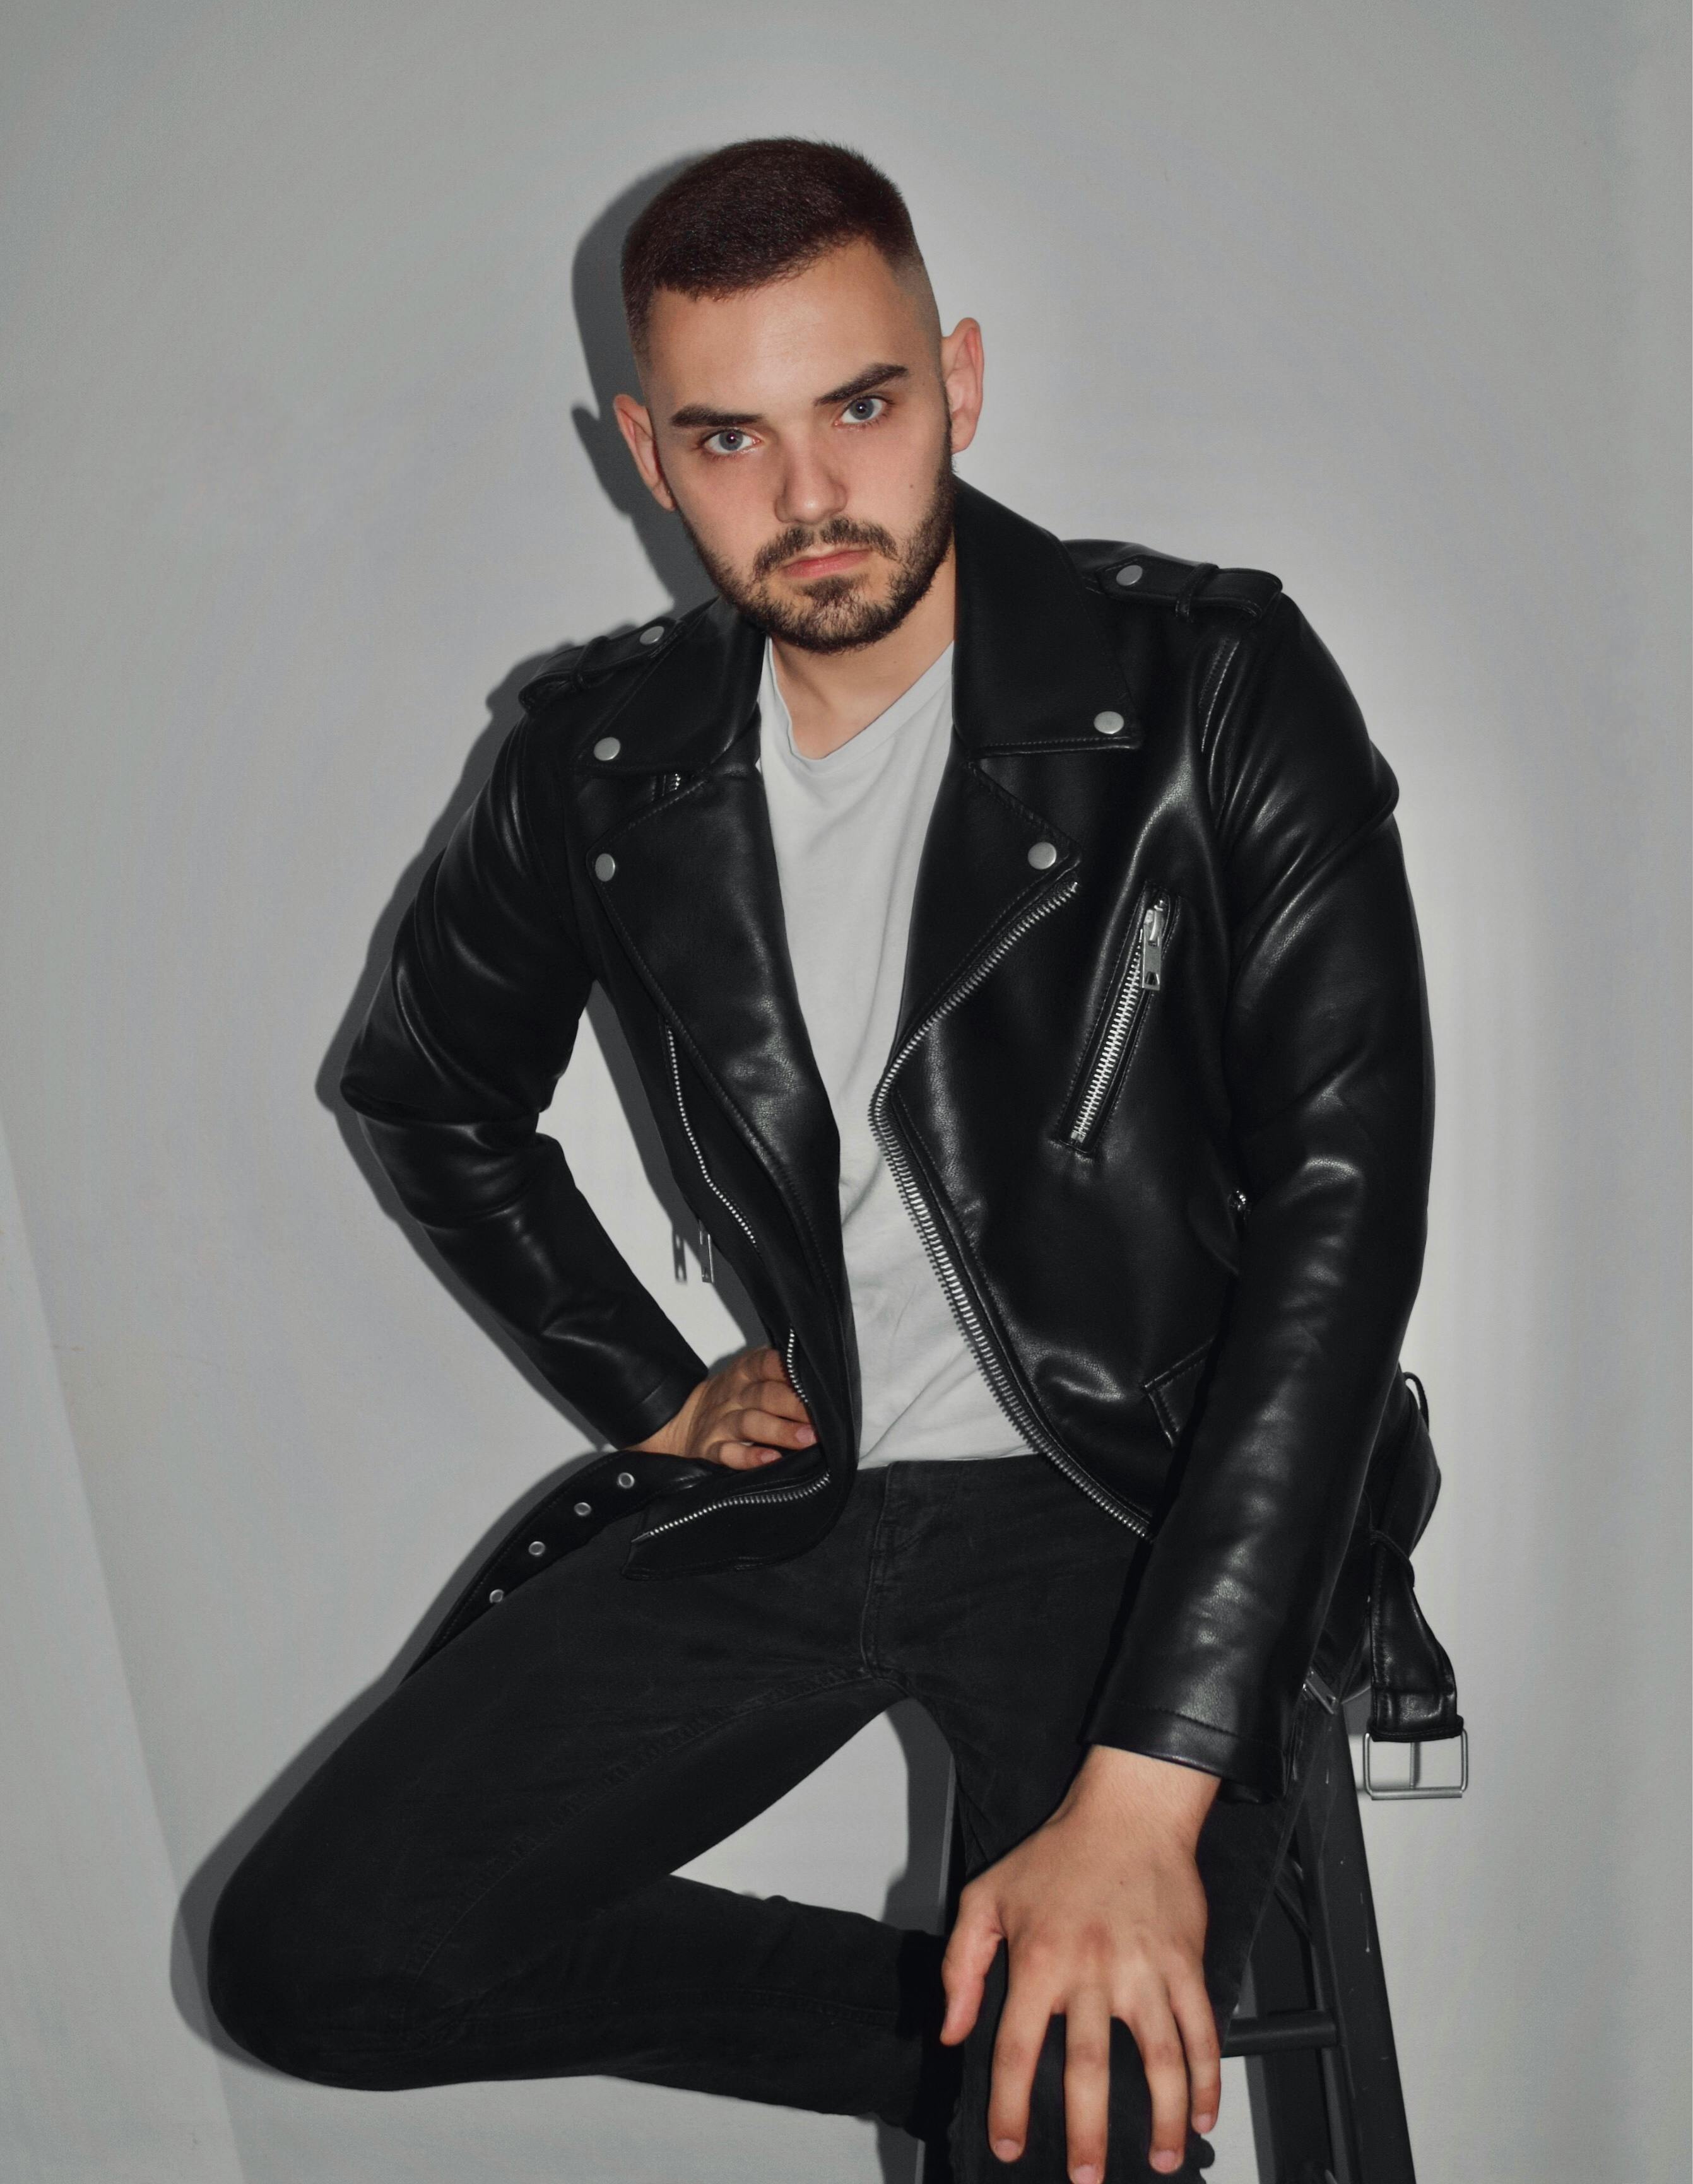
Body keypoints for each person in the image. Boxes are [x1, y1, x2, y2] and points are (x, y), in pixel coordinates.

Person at [206, 138, 1435, 2183]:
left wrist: (1144, 1798)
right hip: (808, 1494)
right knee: (319, 1958)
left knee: (1076, 2126)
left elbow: (1338, 1214)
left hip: (1132, 1497)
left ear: (954, 378)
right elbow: (423, 1089)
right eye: (725, 437)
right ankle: (983, 2048)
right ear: (643, 451)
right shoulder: (598, 765)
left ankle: (1057, 2065)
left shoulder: (1208, 689)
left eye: (858, 406)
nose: (806, 498)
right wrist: (654, 1396)